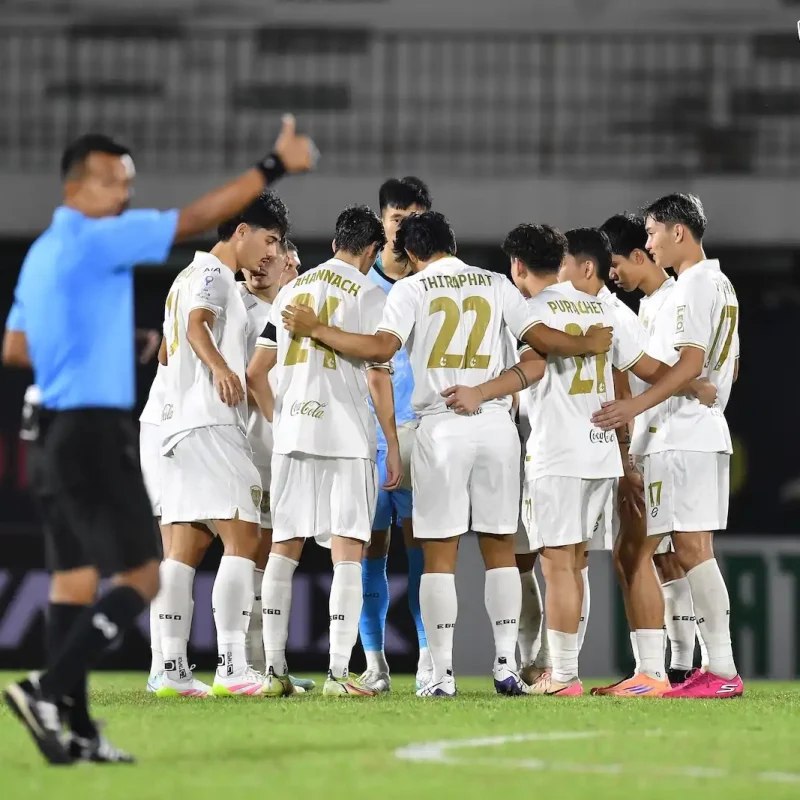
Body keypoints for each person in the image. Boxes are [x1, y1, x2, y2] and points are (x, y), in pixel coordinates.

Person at [2, 120, 317, 764]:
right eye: (114, 182)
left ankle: (87, 723)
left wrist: (107, 347)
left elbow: (16, 347)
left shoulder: (41, 255)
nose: (124, 195)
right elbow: (193, 224)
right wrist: (272, 165)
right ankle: (62, 687)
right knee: (185, 556)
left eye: (129, 183)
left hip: (56, 428)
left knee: (78, 580)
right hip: (116, 427)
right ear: (78, 185)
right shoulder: (147, 252)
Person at [281, 212, 613, 697]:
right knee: (500, 549)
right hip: (497, 426)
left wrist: (318, 329)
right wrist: (585, 343)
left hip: (441, 428)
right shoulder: (497, 283)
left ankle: (440, 675)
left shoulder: (411, 289)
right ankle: (505, 666)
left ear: (414, 254)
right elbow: (540, 345)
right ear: (451, 243)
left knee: (439, 556)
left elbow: (381, 348)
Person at [444, 223, 699, 695]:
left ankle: (562, 675)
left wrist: (480, 392)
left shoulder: (529, 311)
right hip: (601, 454)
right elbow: (647, 369)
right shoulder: (602, 308)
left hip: (558, 454)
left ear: (517, 266)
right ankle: (609, 670)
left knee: (559, 565)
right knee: (578, 560)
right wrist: (693, 382)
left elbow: (533, 367)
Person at [592, 194, 743, 698]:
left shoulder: (693, 285)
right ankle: (700, 666)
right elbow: (728, 367)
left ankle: (720, 670)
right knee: (684, 551)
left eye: (653, 233)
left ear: (679, 232)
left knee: (691, 550)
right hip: (694, 432)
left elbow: (690, 364)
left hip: (682, 435)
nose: (650, 243)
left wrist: (635, 407)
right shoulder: (720, 284)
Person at [247, 205, 400, 697]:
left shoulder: (291, 290)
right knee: (348, 551)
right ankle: (337, 674)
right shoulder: (371, 293)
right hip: (346, 435)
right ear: (372, 250)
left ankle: (274, 672)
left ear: (335, 243)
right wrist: (392, 442)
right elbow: (380, 358)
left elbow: (256, 372)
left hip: (293, 434)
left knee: (284, 546)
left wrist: (284, 419)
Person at [154, 191, 290, 698]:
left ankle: (171, 669)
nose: (272, 252)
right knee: (245, 537)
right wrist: (220, 368)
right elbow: (196, 328)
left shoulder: (183, 277)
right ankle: (232, 666)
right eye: (269, 240)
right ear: (241, 231)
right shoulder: (214, 272)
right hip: (211, 423)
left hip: (177, 426)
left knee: (184, 549)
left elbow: (165, 352)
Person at [359, 177, 432, 694]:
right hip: (368, 437)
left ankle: (430, 660)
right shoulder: (361, 284)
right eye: (397, 218)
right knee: (370, 551)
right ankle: (374, 663)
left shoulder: (436, 283)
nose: (404, 228)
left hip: (423, 434)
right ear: (382, 220)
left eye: (415, 219)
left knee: (425, 553)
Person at [239, 239, 315, 692]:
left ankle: (267, 665)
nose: (261, 269)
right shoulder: (235, 304)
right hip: (253, 442)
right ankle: (248, 665)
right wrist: (279, 421)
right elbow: (248, 376)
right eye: (259, 261)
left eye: (279, 262)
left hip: (280, 445)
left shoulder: (298, 308)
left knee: (272, 553)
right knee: (248, 553)